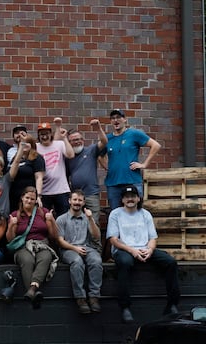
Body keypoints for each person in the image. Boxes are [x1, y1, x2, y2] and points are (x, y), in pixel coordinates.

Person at [106, 185, 181, 323]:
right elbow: (113, 240)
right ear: (122, 199)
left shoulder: (145, 214)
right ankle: (125, 307)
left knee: (170, 262)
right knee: (125, 262)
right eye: (127, 197)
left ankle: (172, 304)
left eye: (133, 196)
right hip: (124, 250)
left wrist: (150, 250)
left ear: (138, 198)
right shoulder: (115, 214)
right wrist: (132, 250)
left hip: (145, 249)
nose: (130, 199)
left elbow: (153, 238)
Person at [6, 186, 59, 309]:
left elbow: (54, 236)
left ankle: (31, 290)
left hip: (42, 244)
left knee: (46, 257)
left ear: (36, 200)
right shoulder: (15, 215)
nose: (29, 201)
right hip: (23, 246)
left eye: (32, 199)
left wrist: (51, 221)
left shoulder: (43, 212)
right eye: (27, 198)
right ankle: (34, 292)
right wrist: (11, 226)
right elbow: (10, 239)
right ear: (22, 198)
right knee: (27, 260)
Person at [102, 109, 162, 209]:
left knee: (136, 213)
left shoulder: (134, 134)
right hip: (113, 183)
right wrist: (107, 167)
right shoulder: (108, 139)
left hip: (132, 181)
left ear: (125, 119)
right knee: (116, 215)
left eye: (118, 117)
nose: (116, 120)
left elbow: (155, 145)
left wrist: (144, 164)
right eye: (113, 118)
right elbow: (99, 155)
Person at [55, 190, 103, 314]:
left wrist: (91, 218)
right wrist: (75, 248)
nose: (77, 202)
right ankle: (80, 298)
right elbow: (60, 241)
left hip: (86, 247)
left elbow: (96, 236)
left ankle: (94, 297)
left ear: (83, 202)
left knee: (96, 260)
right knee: (77, 262)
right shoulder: (61, 219)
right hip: (68, 249)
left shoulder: (87, 217)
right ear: (69, 201)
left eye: (80, 200)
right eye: (75, 200)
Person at [66, 122, 108, 224]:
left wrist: (98, 128)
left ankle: (94, 241)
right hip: (75, 197)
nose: (78, 142)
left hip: (91, 194)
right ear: (69, 142)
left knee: (93, 222)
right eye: (74, 140)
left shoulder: (91, 150)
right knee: (75, 223)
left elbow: (104, 141)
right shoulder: (67, 157)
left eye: (79, 139)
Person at [35, 119, 74, 216]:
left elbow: (71, 155)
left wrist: (64, 138)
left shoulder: (59, 144)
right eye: (42, 134)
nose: (44, 136)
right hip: (43, 191)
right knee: (44, 220)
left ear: (51, 134)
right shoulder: (35, 147)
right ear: (38, 136)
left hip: (61, 190)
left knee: (64, 218)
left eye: (47, 133)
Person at [9, 135, 45, 216]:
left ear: (32, 144)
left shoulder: (36, 158)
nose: (25, 144)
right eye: (23, 142)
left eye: (27, 142)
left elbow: (39, 178)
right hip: (14, 196)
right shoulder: (15, 158)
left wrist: (38, 195)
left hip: (29, 197)